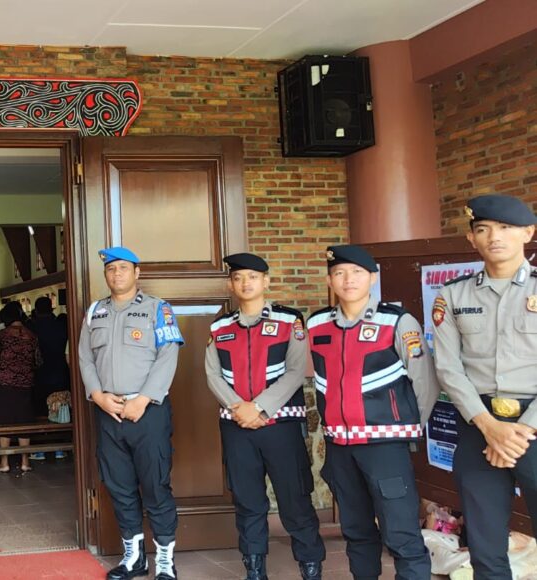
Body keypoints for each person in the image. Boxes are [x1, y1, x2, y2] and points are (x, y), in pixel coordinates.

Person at [307, 245, 438, 580]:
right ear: (329, 280)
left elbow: (425, 382)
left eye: (357, 272)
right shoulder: (317, 324)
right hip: (340, 448)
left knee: (401, 533)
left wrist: (408, 430)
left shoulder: (396, 321)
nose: (348, 279)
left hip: (385, 447)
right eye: (339, 273)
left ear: (372, 278)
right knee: (357, 532)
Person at [433, 194, 537, 578]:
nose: (494, 237)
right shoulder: (453, 294)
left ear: (528, 232)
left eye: (506, 228)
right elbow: (448, 368)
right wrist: (490, 427)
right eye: (483, 229)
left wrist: (519, 433)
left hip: (532, 428)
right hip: (478, 428)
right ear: (471, 238)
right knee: (484, 545)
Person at [205, 253, 324, 580]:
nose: (245, 283)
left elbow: (296, 371)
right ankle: (255, 569)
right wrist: (238, 407)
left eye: (253, 277)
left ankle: (310, 567)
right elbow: (213, 374)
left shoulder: (289, 321)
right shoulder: (220, 326)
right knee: (247, 503)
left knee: (295, 500)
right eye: (238, 278)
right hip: (237, 428)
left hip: (281, 426)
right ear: (231, 284)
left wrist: (258, 407)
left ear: (266, 281)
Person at [78, 246, 184, 580]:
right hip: (109, 413)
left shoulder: (158, 309)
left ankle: (164, 560)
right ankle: (134, 558)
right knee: (119, 486)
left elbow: (167, 355)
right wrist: (98, 396)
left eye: (123, 268)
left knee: (155, 486)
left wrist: (144, 399)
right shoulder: (95, 312)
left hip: (147, 413)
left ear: (137, 273)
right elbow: (84, 358)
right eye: (111, 269)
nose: (117, 274)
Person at [0, 301, 43, 474]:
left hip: (5, 384)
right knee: (24, 420)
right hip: (25, 383)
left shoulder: (2, 335)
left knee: (4, 420)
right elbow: (38, 361)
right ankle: (25, 461)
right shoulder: (32, 335)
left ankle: (5, 462)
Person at [27, 296, 69, 461]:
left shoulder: (31, 327)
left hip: (38, 375)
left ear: (36, 311)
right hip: (60, 373)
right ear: (51, 308)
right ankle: (59, 447)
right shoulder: (61, 325)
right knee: (59, 410)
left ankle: (40, 449)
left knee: (40, 412)